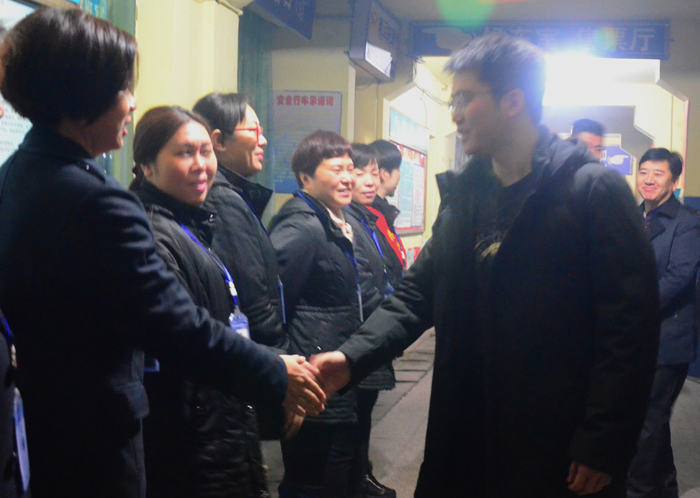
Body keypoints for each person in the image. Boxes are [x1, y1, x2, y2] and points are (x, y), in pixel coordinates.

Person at [312, 34, 660, 498]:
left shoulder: (590, 193)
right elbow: (417, 295)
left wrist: (604, 441)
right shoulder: (465, 197)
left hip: (552, 443)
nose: (455, 114)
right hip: (465, 433)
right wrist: (351, 358)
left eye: (465, 99)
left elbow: (629, 332)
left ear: (513, 101)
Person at [0, 9, 324, 498]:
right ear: (84, 97)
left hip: (42, 429)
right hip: (96, 442)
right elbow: (174, 325)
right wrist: (274, 371)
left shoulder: (17, 175)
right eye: (123, 88)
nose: (132, 103)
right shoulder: (98, 202)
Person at [130, 105, 289, 497]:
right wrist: (274, 371)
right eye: (185, 153)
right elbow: (186, 338)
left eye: (206, 152)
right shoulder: (152, 235)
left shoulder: (193, 224)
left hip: (219, 422)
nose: (201, 165)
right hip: (190, 438)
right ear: (147, 165)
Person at [269, 131, 362, 498]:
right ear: (305, 177)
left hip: (331, 374)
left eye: (350, 168)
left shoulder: (334, 221)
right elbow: (273, 305)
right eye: (336, 169)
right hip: (311, 378)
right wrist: (287, 383)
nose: (348, 177)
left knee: (335, 476)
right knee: (313, 482)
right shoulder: (303, 227)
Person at [627, 148, 700, 498]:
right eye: (644, 172)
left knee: (645, 423)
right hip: (634, 338)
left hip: (667, 339)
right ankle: (665, 487)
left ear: (674, 180)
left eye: (658, 174)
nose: (649, 180)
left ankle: (638, 490)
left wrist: (632, 308)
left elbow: (679, 276)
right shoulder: (632, 216)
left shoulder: (687, 222)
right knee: (653, 420)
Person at [193, 93, 287, 353]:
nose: (263, 141)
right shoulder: (223, 200)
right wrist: (280, 352)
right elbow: (251, 299)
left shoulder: (230, 195)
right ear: (219, 141)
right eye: (254, 131)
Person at [345, 143, 397, 498]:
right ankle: (357, 478)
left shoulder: (367, 219)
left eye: (373, 174)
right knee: (355, 414)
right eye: (359, 172)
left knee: (363, 413)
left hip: (372, 329)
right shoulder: (348, 220)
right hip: (359, 332)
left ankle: (360, 474)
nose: (368, 181)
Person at [368, 140, 405, 286]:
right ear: (384, 174)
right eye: (398, 169)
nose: (400, 175)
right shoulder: (369, 216)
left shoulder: (383, 212)